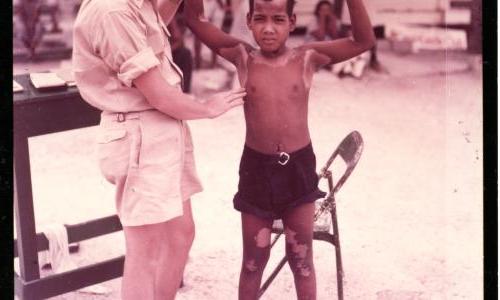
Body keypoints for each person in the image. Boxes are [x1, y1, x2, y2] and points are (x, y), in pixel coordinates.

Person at [184, 0, 374, 298]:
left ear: (292, 21)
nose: (268, 28)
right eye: (260, 19)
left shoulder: (308, 57)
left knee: (302, 262)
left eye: (278, 19)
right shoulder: (243, 56)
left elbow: (363, 41)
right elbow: (196, 20)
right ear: (248, 20)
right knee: (252, 263)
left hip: (298, 171)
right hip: (256, 171)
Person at [72, 0, 246, 299]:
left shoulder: (138, 5)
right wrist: (206, 108)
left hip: (161, 129)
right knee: (146, 252)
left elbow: (153, 27)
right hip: (140, 130)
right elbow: (157, 93)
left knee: (180, 235)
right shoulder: (111, 10)